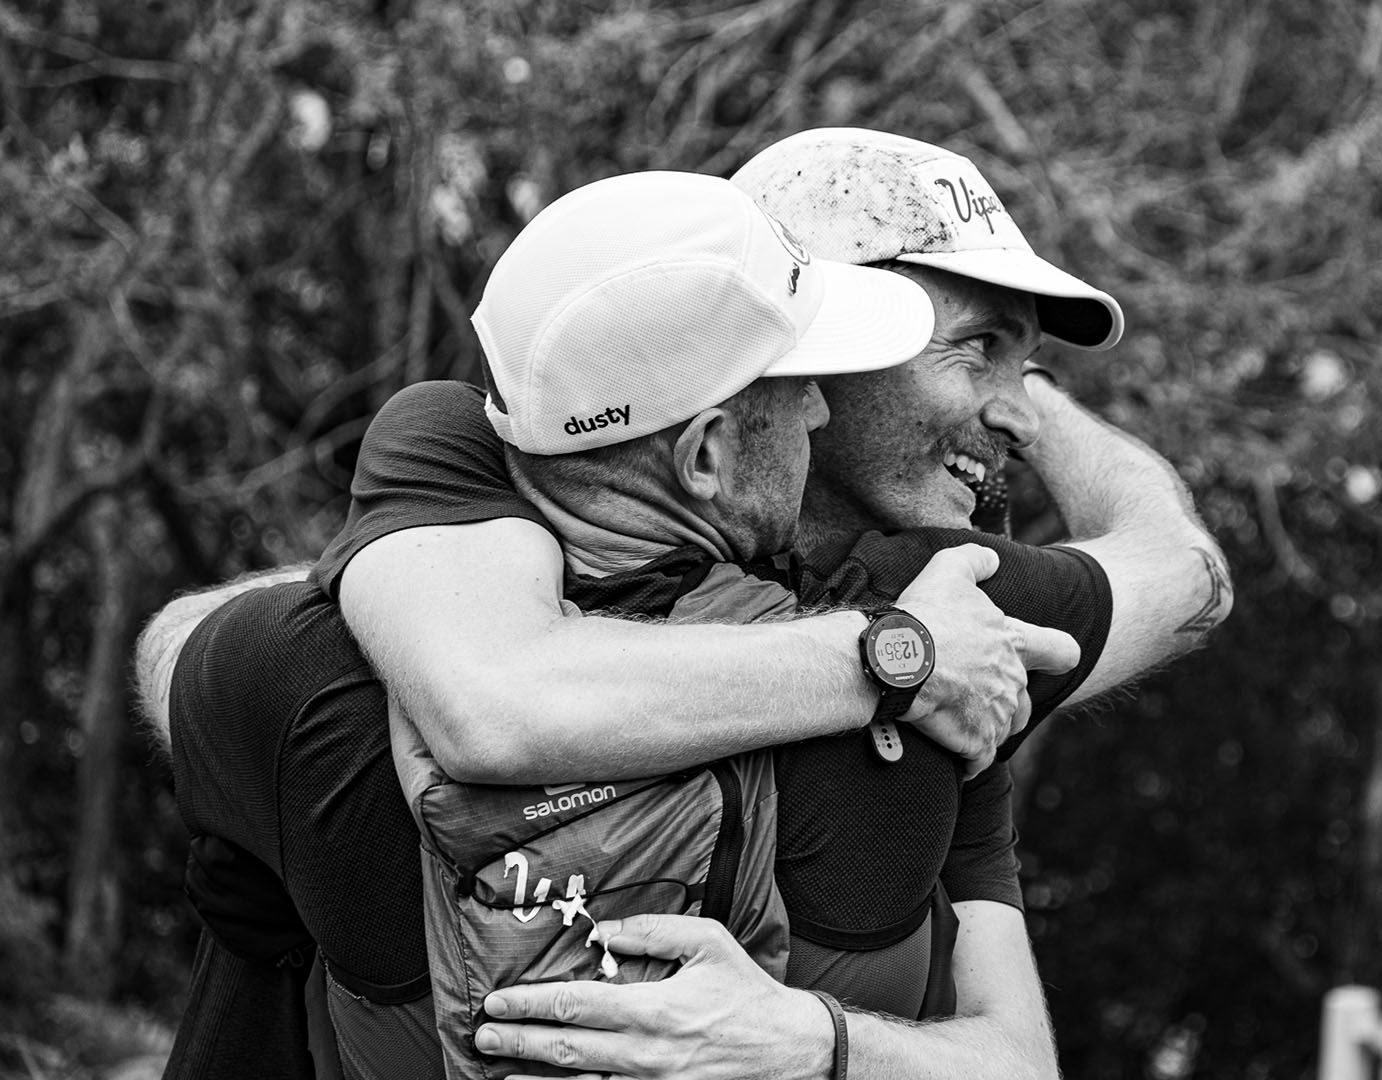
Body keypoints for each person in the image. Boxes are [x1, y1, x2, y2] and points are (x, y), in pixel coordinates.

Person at [146, 129, 1230, 1078]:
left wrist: (817, 1042)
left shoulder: (954, 611)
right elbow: (488, 698)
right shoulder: (937, 640)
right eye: (974, 346)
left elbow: (193, 645)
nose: (1010, 411)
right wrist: (894, 662)